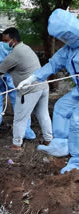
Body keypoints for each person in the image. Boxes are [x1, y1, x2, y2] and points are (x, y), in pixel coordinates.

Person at [0, 27, 53, 150]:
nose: (3, 43)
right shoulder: (26, 48)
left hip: (29, 90)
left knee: (19, 118)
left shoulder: (15, 53)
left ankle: (17, 145)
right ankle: (49, 141)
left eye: (5, 40)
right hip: (42, 87)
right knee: (43, 115)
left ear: (12, 40)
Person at [18, 9, 78, 174]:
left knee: (77, 120)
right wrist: (32, 79)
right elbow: (53, 64)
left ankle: (77, 161)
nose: (64, 39)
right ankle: (61, 144)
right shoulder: (69, 49)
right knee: (61, 107)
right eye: (61, 37)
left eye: (66, 35)